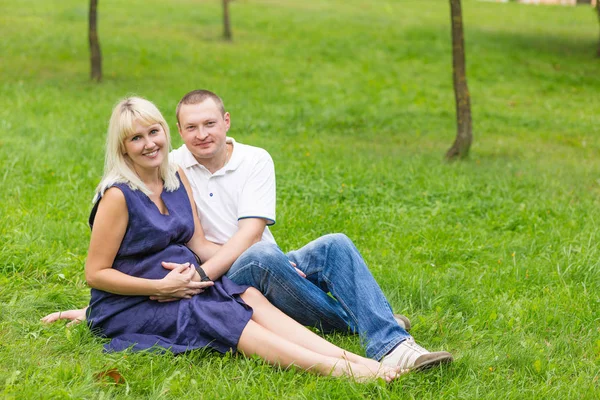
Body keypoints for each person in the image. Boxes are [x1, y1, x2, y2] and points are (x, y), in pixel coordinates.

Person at [44, 90, 453, 371]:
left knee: (334, 245)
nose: (201, 135)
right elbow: (114, 262)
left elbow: (245, 234)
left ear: (226, 122)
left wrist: (201, 275)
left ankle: (391, 343)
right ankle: (366, 324)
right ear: (180, 131)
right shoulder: (170, 167)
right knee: (260, 257)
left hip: (239, 262)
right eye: (191, 127)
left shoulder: (251, 160)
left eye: (209, 124)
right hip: (229, 270)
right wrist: (101, 307)